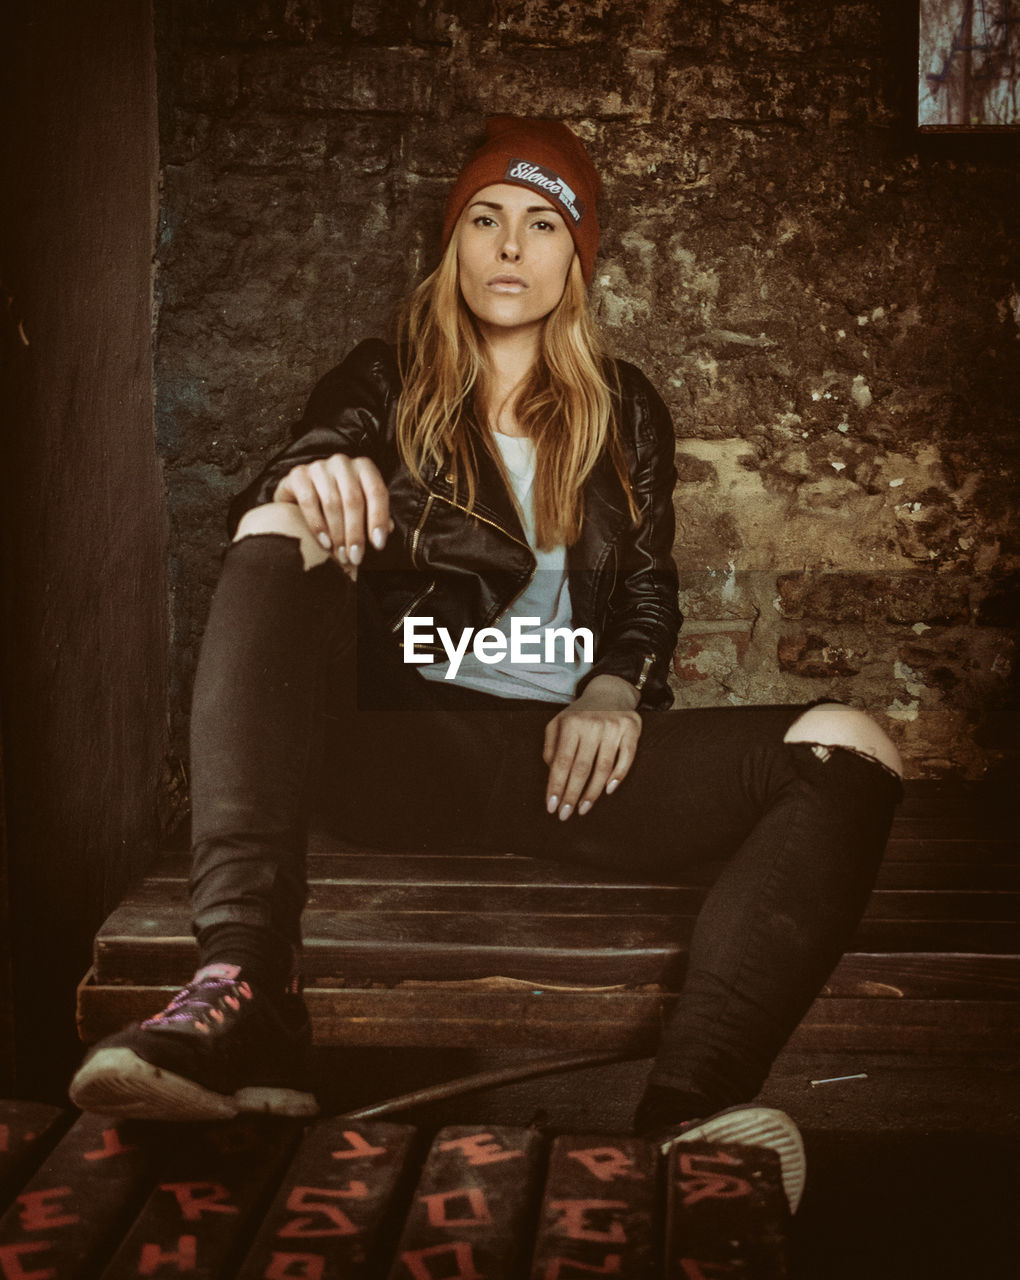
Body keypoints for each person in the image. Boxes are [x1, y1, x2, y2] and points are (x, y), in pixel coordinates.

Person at [70, 117, 903, 1211]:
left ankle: (691, 1114)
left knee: (850, 741)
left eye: (542, 223)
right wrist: (317, 475)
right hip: (408, 745)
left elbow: (647, 582)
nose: (511, 247)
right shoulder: (386, 378)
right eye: (485, 220)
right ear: (453, 244)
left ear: (576, 257)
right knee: (281, 522)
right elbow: (307, 455)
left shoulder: (624, 405)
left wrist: (615, 685)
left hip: (561, 763)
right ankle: (245, 978)